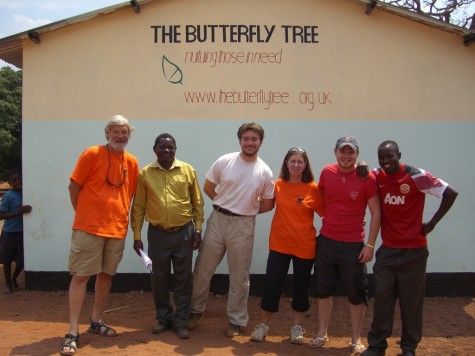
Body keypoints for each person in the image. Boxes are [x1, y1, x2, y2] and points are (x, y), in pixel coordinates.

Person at [362, 140, 458, 356]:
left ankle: (408, 348)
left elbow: (450, 193)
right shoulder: (377, 175)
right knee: (383, 299)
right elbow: (363, 174)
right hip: (387, 251)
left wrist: (432, 223)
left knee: (411, 303)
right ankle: (377, 345)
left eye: (390, 156)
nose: (386, 161)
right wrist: (363, 163)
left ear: (399, 155)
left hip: (414, 251)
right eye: (382, 157)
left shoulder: (417, 175)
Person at [59, 115, 139, 356]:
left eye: (124, 132)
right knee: (81, 276)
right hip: (88, 228)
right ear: (107, 133)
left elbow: (131, 196)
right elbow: (74, 186)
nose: (120, 136)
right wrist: (83, 213)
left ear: (129, 135)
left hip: (116, 230)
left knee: (106, 276)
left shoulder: (132, 162)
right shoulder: (91, 154)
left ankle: (96, 321)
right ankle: (73, 330)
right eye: (115, 131)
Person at [187, 122, 275, 338]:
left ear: (261, 142)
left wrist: (246, 210)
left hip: (244, 225)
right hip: (218, 220)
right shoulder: (225, 160)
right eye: (246, 138)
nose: (250, 143)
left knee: (239, 276)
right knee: (202, 269)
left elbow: (269, 202)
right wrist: (225, 203)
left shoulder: (264, 170)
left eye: (254, 139)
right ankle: (195, 311)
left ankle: (236, 321)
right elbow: (208, 187)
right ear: (240, 140)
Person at [309, 135, 381, 354]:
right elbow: (320, 196)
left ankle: (356, 339)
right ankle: (322, 333)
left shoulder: (367, 177)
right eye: (343, 151)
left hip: (353, 245)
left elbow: (376, 212)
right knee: (323, 290)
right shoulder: (327, 172)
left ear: (357, 154)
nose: (346, 156)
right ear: (335, 152)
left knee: (356, 293)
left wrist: (369, 245)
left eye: (351, 152)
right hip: (327, 241)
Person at [131, 133, 204, 340]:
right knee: (159, 278)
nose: (166, 150)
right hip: (157, 234)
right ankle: (163, 318)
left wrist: (197, 229)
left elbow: (197, 203)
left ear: (175, 150)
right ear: (155, 149)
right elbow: (138, 208)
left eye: (170, 147)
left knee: (183, 279)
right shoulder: (145, 174)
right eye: (162, 147)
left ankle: (181, 320)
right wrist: (137, 236)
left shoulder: (188, 171)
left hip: (184, 233)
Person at [250, 147, 324, 344]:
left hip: (304, 247)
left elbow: (328, 214)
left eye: (300, 162)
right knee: (272, 286)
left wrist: (356, 221)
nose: (296, 165)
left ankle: (296, 328)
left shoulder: (314, 189)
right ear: (286, 163)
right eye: (292, 161)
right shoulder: (278, 185)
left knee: (301, 288)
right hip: (279, 245)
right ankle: (263, 326)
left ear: (305, 165)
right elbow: (264, 204)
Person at [0, 169, 32, 294]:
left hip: (22, 232)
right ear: (9, 183)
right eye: (14, 180)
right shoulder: (8, 196)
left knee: (23, 260)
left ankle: (14, 278)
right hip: (9, 232)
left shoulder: (26, 193)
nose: (18, 182)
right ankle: (8, 284)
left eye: (19, 179)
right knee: (6, 260)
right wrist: (19, 212)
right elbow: (1, 215)